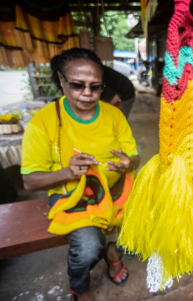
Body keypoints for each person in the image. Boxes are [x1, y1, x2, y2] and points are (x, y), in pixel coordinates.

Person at [21, 48, 140, 301]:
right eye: (77, 85)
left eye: (95, 87)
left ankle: (112, 252)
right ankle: (80, 288)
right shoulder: (42, 123)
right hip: (72, 195)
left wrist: (128, 164)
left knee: (149, 220)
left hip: (114, 189)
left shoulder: (114, 115)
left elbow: (135, 158)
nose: (87, 93)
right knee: (87, 248)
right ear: (61, 80)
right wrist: (67, 172)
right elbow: (30, 181)